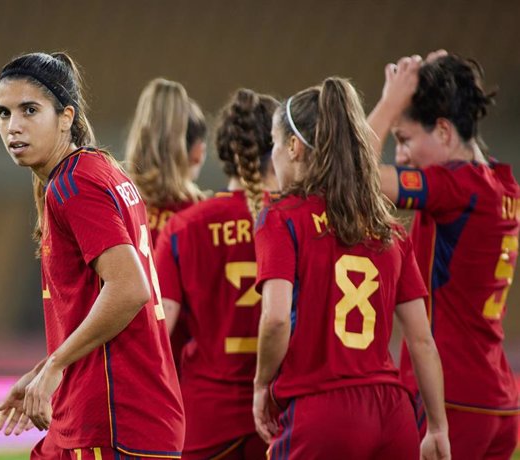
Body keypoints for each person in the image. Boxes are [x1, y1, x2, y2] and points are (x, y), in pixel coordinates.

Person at [0, 52, 184, 460]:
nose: (14, 126)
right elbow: (94, 305)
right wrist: (41, 370)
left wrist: (55, 368)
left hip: (113, 420)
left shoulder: (75, 185)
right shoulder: (97, 171)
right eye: (4, 113)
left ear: (66, 116)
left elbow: (131, 288)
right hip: (115, 414)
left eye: (30, 110)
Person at [253, 77, 450, 459]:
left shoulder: (282, 217)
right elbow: (422, 340)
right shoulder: (388, 229)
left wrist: (262, 384)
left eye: (275, 144)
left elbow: (276, 320)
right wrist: (438, 427)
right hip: (394, 417)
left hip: (321, 412)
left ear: (293, 147)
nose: (274, 157)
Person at [369, 51, 520, 459]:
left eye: (405, 140)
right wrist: (443, 77)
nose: (399, 155)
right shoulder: (502, 185)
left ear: (443, 131)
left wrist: (390, 102)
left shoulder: (454, 188)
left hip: (450, 399)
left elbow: (352, 174)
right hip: (497, 399)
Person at [154, 89, 278, 459]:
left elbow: (160, 328)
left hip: (205, 421)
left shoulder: (183, 227)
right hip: (281, 415)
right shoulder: (297, 221)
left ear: (222, 153)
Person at [125, 78, 208, 371]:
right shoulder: (201, 215)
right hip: (185, 374)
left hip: (126, 368)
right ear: (197, 151)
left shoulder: (119, 202)